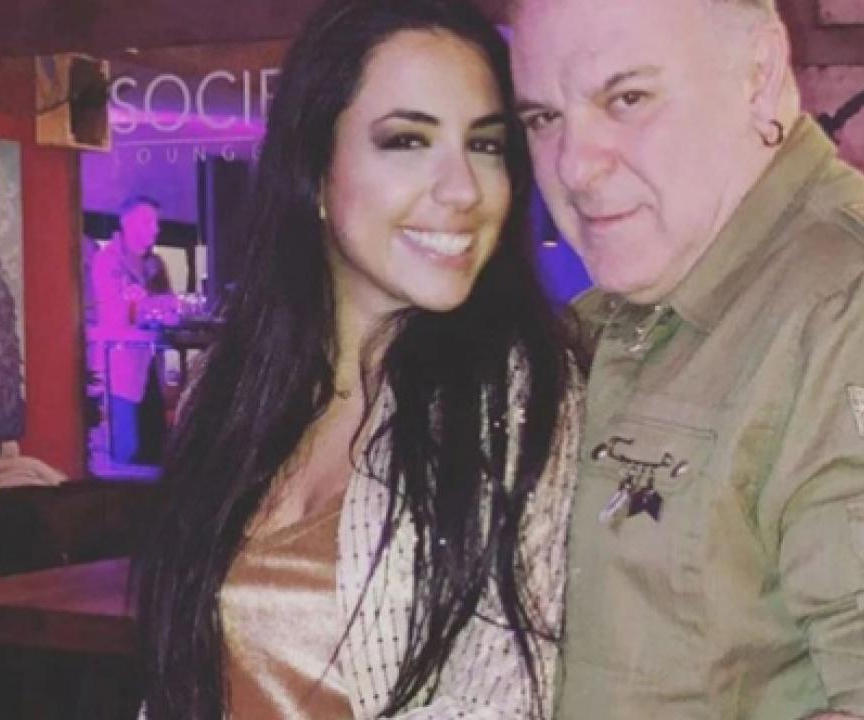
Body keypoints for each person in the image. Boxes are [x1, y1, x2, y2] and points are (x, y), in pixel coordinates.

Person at [509, 1, 864, 718]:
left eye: (627, 99)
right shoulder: (623, 315)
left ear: (760, 74)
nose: (574, 166)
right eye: (542, 118)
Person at [133, 1, 580, 718]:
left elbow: (500, 697)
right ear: (315, 169)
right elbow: (176, 676)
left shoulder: (524, 400)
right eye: (408, 140)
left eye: (486, 145)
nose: (463, 189)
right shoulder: (228, 389)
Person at [90, 194, 175, 465]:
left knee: (155, 451)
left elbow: (170, 306)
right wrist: (150, 307)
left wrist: (152, 307)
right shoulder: (107, 261)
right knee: (125, 450)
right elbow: (116, 313)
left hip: (151, 366)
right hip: (119, 369)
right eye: (148, 222)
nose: (156, 229)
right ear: (127, 222)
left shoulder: (156, 265)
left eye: (157, 223)